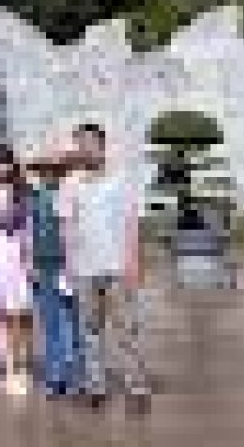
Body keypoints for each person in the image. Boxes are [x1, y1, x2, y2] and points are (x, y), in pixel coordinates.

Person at [60, 122, 152, 412]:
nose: (85, 149)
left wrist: (133, 262)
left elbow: (131, 222)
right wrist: (69, 264)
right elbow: (67, 226)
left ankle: (136, 387)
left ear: (101, 145)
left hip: (116, 266)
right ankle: (96, 386)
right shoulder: (70, 183)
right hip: (85, 268)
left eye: (89, 143)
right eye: (80, 144)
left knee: (126, 328)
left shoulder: (121, 179)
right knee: (90, 329)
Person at [0, 143, 37, 396]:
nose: (1, 168)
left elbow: (29, 227)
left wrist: (30, 258)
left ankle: (24, 365)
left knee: (23, 312)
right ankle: (9, 368)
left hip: (19, 254)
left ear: (12, 166)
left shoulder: (23, 194)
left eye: (5, 163)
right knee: (1, 312)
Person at [28, 149, 83, 399]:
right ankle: (54, 377)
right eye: (44, 170)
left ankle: (75, 377)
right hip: (42, 266)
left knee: (71, 323)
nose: (48, 174)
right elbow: (29, 232)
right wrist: (30, 263)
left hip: (67, 266)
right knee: (49, 324)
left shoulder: (71, 194)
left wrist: (74, 264)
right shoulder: (33, 197)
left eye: (54, 170)